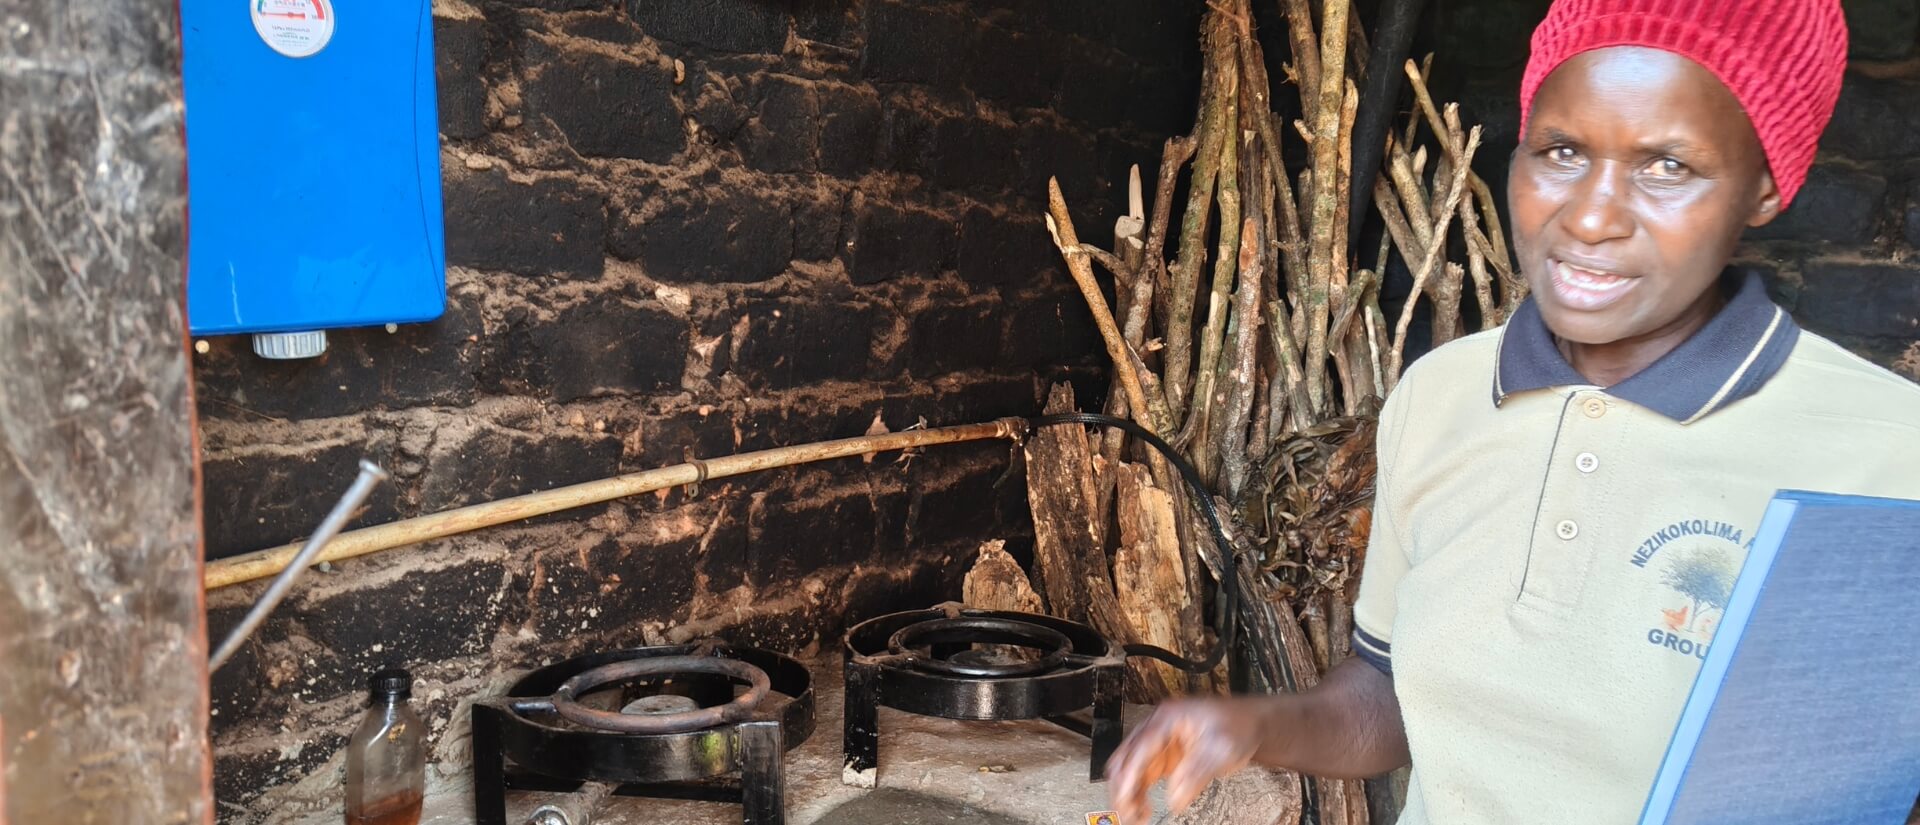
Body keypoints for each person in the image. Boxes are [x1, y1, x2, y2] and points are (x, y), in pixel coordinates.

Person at [1104, 1, 1920, 822]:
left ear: (1766, 186)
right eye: (1562, 151)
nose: (1592, 217)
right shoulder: (1441, 396)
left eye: (1668, 166)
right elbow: (1389, 695)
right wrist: (1250, 726)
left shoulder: (1889, 452)